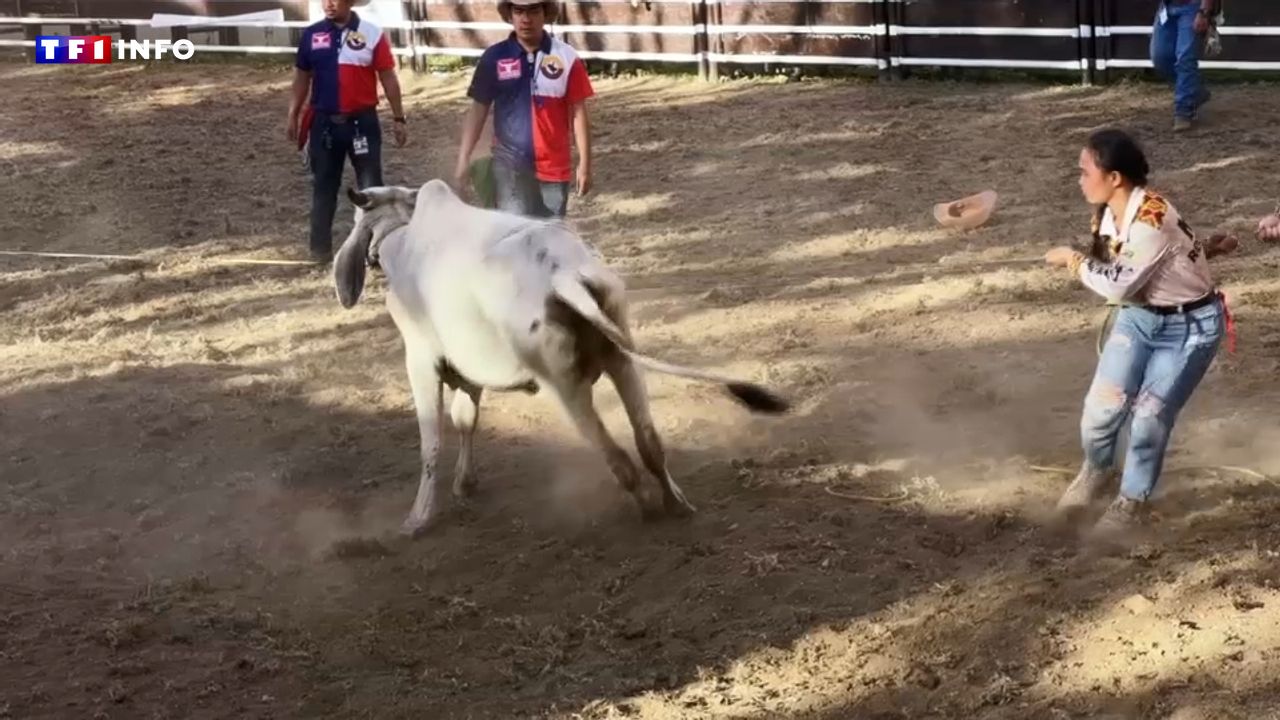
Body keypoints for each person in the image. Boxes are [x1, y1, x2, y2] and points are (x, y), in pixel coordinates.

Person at [1044, 128, 1229, 544]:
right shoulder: (1115, 211)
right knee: (1100, 410)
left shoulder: (1149, 217)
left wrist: (1072, 261)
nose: (1078, 179)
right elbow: (1163, 258)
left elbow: (1118, 285)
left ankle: (1132, 502)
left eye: (1084, 170)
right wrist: (1207, 251)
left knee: (1148, 418)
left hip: (1187, 329)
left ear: (1114, 178)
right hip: (1141, 318)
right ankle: (1098, 469)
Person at [287, 0, 408, 264]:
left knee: (372, 189)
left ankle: (375, 252)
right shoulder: (312, 35)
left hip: (362, 123)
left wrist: (399, 117)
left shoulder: (372, 34)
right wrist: (293, 112)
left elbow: (388, 76)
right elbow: (302, 76)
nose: (328, 4)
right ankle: (319, 252)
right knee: (323, 188)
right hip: (324, 124)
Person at [452, 0, 594, 218]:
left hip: (554, 167)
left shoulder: (567, 57)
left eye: (533, 11)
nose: (526, 19)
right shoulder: (493, 58)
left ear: (545, 13)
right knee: (516, 237)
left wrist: (585, 164)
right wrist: (463, 158)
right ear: (509, 14)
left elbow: (578, 113)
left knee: (550, 240)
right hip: (509, 164)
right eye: (518, 11)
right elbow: (478, 110)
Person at [1150, 0, 1217, 132]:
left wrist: (1203, 12)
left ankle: (1183, 111)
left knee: (1185, 58)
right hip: (1167, 6)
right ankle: (1194, 90)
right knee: (1160, 57)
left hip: (1192, 6)